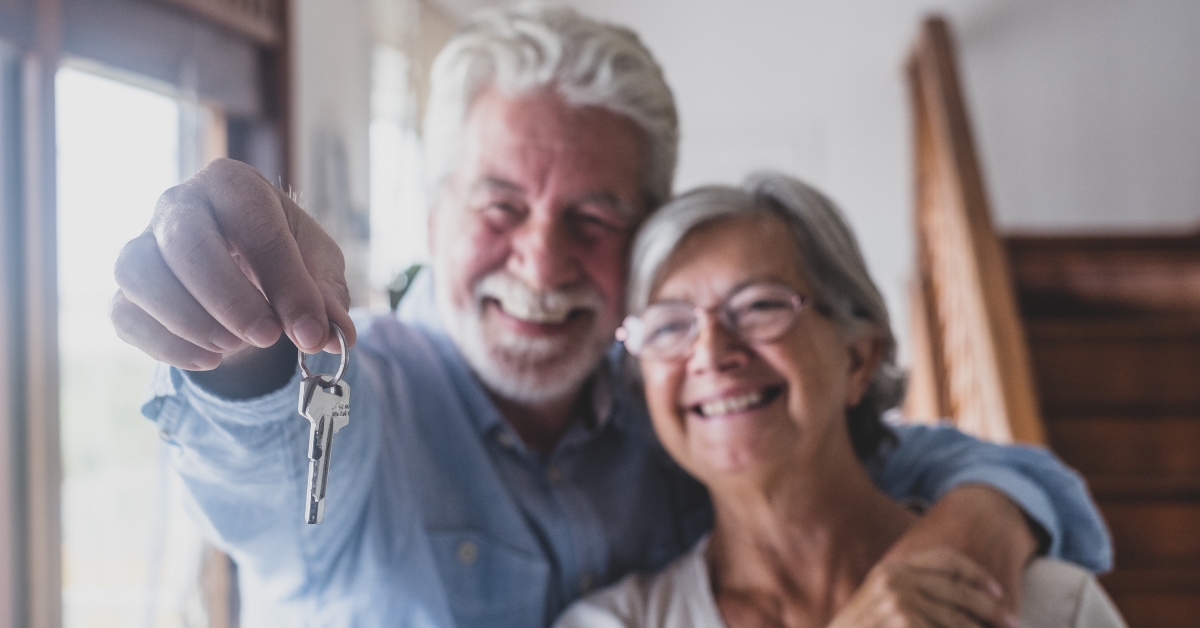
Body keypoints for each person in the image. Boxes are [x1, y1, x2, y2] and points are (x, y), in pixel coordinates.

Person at [111, 5, 1110, 627]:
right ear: (435, 215)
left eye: (594, 217)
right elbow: (267, 472)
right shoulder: (367, 393)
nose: (542, 260)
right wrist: (243, 354)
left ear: (645, 241)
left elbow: (909, 456)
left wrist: (975, 537)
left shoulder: (679, 399)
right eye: (500, 205)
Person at [556, 173, 1125, 628]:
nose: (711, 352)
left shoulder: (1051, 606)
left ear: (858, 358)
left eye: (759, 306)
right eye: (668, 325)